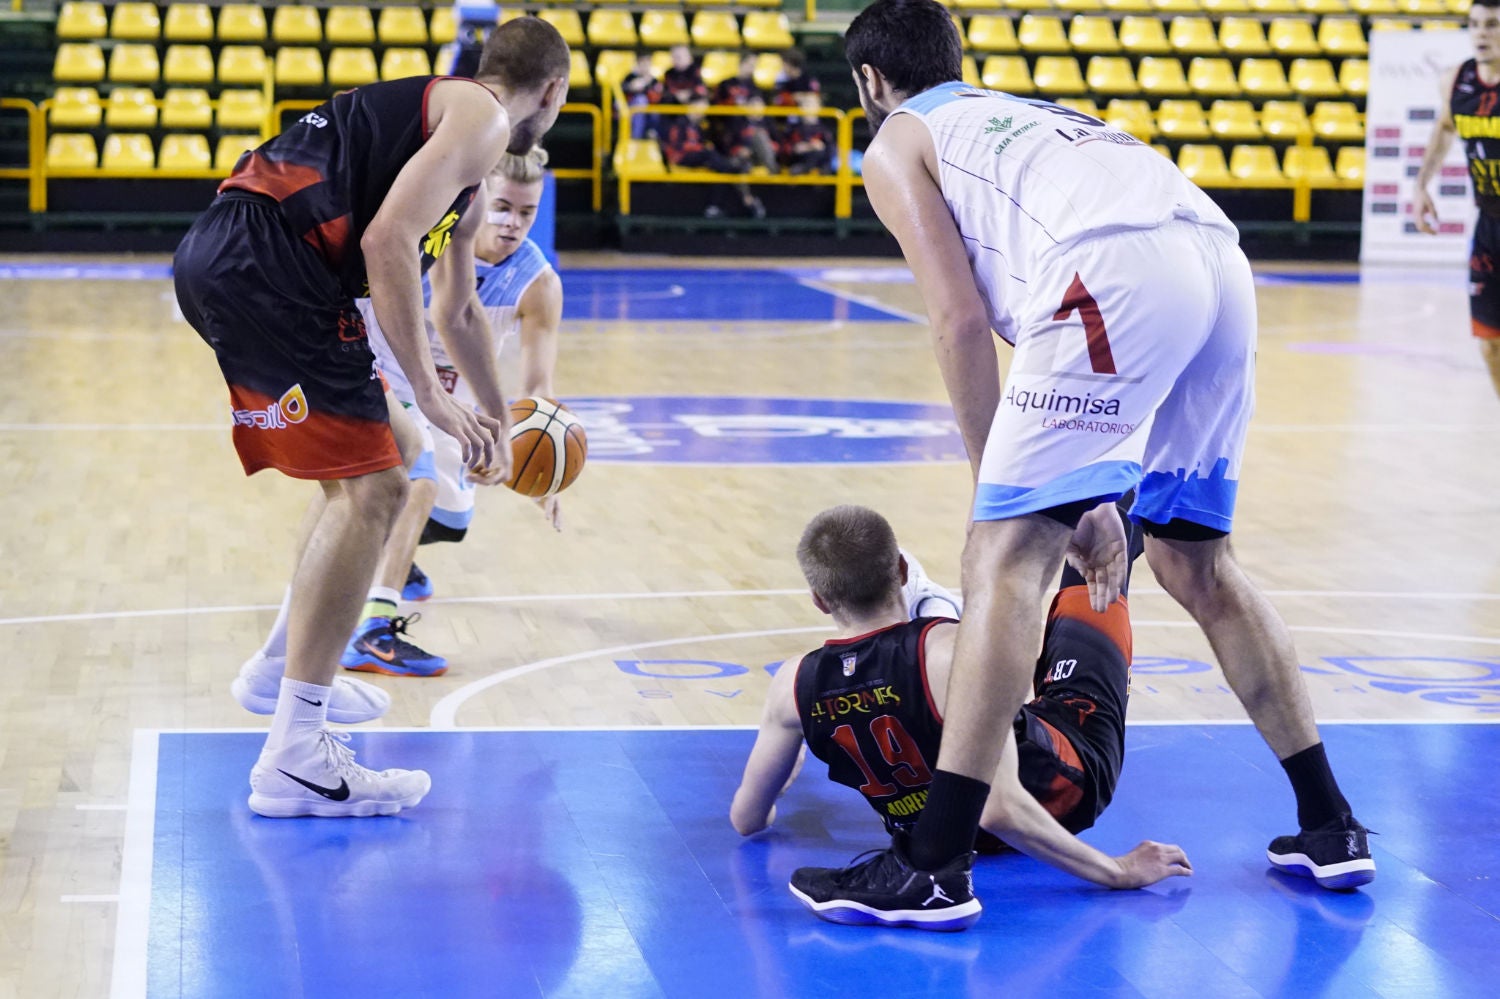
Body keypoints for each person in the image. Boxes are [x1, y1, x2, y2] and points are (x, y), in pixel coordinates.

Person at [787, 0, 1373, 927]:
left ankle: (934, 865)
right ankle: (1331, 823)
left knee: (1003, 559)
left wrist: (997, 496)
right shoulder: (1016, 115)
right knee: (1197, 562)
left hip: (1115, 269)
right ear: (955, 59)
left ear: (869, 80)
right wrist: (1080, 491)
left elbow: (959, 320)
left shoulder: (897, 139)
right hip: (1217, 260)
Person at [176, 17, 571, 818]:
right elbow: (388, 240)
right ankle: (296, 753)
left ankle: (281, 669)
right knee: (380, 486)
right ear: (553, 91)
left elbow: (457, 309)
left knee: (390, 451)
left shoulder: (460, 152)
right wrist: (431, 388)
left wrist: (500, 422)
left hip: (243, 255)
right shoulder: (482, 117)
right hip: (271, 259)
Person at [732, 506, 1190, 929]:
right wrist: (1117, 871)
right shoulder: (954, 652)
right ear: (902, 571)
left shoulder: (791, 685)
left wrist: (783, 780)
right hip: (1066, 786)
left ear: (819, 600)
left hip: (943, 839)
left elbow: (746, 819)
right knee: (1098, 561)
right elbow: (1000, 809)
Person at [337, 146, 566, 677]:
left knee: (452, 519)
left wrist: (544, 471)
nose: (512, 223)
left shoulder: (540, 283)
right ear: (481, 198)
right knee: (417, 477)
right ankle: (373, 628)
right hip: (383, 361)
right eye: (502, 207)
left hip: (453, 391)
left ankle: (395, 548)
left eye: (527, 213)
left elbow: (537, 387)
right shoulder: (434, 239)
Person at [1413, 0, 1500, 400]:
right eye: (1476, 24)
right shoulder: (1457, 80)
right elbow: (1445, 128)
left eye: (1492, 24)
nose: (1482, 33)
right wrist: (1421, 185)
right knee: (1490, 343)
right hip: (1488, 224)